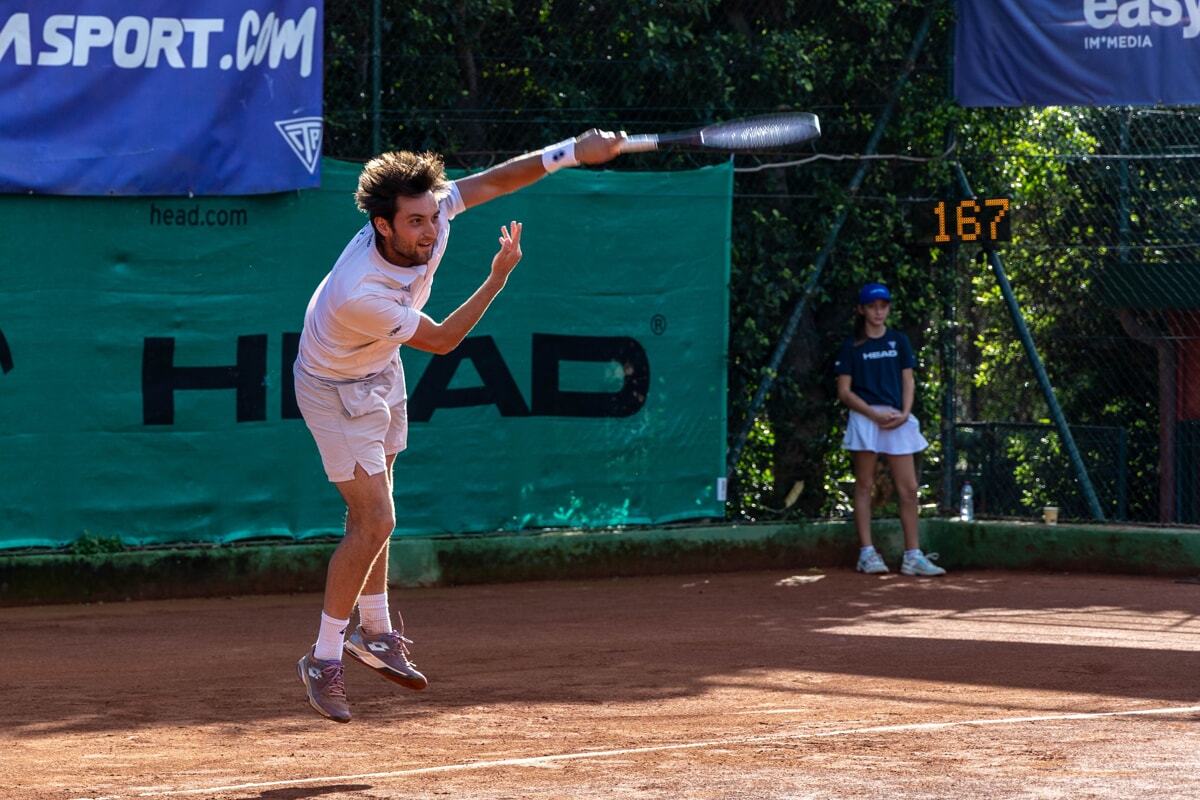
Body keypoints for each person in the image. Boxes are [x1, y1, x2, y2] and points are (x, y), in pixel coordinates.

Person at [293, 130, 628, 722]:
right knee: (377, 520)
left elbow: (498, 178)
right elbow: (444, 341)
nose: (429, 229)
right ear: (383, 227)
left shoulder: (436, 211)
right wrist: (498, 277)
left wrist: (573, 151)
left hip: (379, 367)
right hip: (332, 387)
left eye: (431, 216)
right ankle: (322, 658)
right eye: (415, 222)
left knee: (376, 509)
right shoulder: (359, 292)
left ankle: (375, 629)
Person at [834, 282, 945, 577]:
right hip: (865, 419)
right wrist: (872, 413)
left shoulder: (899, 341)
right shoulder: (852, 346)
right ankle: (867, 554)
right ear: (861, 310)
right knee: (864, 485)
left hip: (897, 419)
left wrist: (905, 413)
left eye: (883, 306)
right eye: (872, 306)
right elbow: (844, 392)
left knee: (908, 489)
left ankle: (912, 556)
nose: (878, 312)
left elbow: (907, 381)